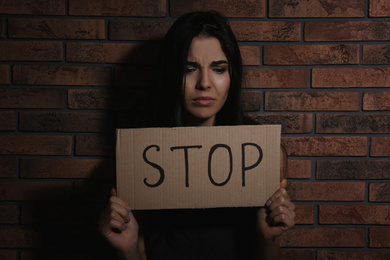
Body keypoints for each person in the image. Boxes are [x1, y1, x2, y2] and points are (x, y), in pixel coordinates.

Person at [99, 11, 295, 260]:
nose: (204, 82)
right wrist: (127, 249)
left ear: (232, 76)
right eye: (189, 68)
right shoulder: (141, 156)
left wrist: (268, 240)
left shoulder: (262, 152)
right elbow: (139, 249)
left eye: (218, 68)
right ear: (172, 73)